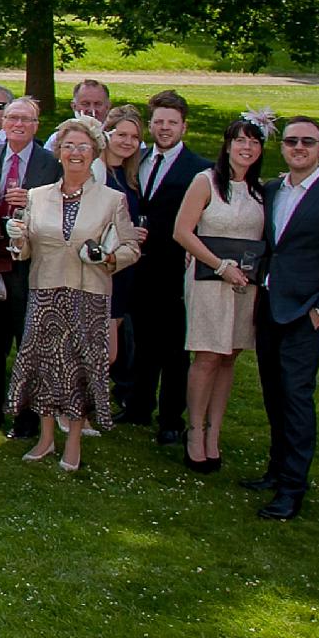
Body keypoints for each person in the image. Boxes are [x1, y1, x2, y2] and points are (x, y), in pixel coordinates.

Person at [244, 115, 319, 521]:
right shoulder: (272, 189)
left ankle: (293, 489)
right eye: (292, 141)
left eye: (308, 142)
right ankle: (276, 470)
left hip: (304, 314)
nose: (299, 147)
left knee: (296, 399)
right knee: (273, 395)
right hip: (268, 307)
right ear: (283, 148)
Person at [6, 117, 142, 470]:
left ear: (94, 152)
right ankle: (46, 437)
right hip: (46, 290)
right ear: (59, 153)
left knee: (82, 368)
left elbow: (131, 247)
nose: (75, 153)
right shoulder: (38, 196)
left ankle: (75, 441)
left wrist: (108, 257)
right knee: (46, 367)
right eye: (69, 147)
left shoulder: (112, 200)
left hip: (88, 293)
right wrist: (17, 238)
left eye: (83, 147)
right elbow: (25, 250)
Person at [174, 116, 268, 476]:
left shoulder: (263, 190)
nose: (247, 148)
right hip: (209, 279)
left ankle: (215, 430)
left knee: (230, 356)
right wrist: (219, 265)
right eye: (240, 141)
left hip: (245, 284)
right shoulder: (206, 182)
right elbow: (182, 232)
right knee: (208, 356)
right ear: (228, 145)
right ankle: (195, 430)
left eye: (254, 143)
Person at [125, 89, 211, 442]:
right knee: (141, 342)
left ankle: (171, 417)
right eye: (158, 122)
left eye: (171, 123)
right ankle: (138, 405)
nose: (164, 128)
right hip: (138, 268)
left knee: (175, 348)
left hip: (175, 267)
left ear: (183, 127)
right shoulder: (137, 160)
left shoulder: (200, 169)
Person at [0, 96, 61, 436]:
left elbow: (57, 212)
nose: (17, 124)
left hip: (29, 266)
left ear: (36, 126)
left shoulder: (49, 164)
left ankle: (26, 415)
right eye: (12, 118)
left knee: (26, 343)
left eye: (25, 120)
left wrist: (31, 201)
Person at [98, 104, 154, 398]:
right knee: (104, 351)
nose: (127, 142)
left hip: (123, 271)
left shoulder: (130, 176)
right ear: (107, 134)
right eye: (121, 134)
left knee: (106, 349)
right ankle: (72, 410)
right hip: (99, 269)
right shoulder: (97, 173)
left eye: (134, 137)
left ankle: (81, 408)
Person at [44, 78, 112, 151]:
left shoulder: (117, 138)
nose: (92, 110)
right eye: (85, 104)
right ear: (74, 106)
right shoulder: (57, 139)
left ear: (108, 106)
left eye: (98, 104)